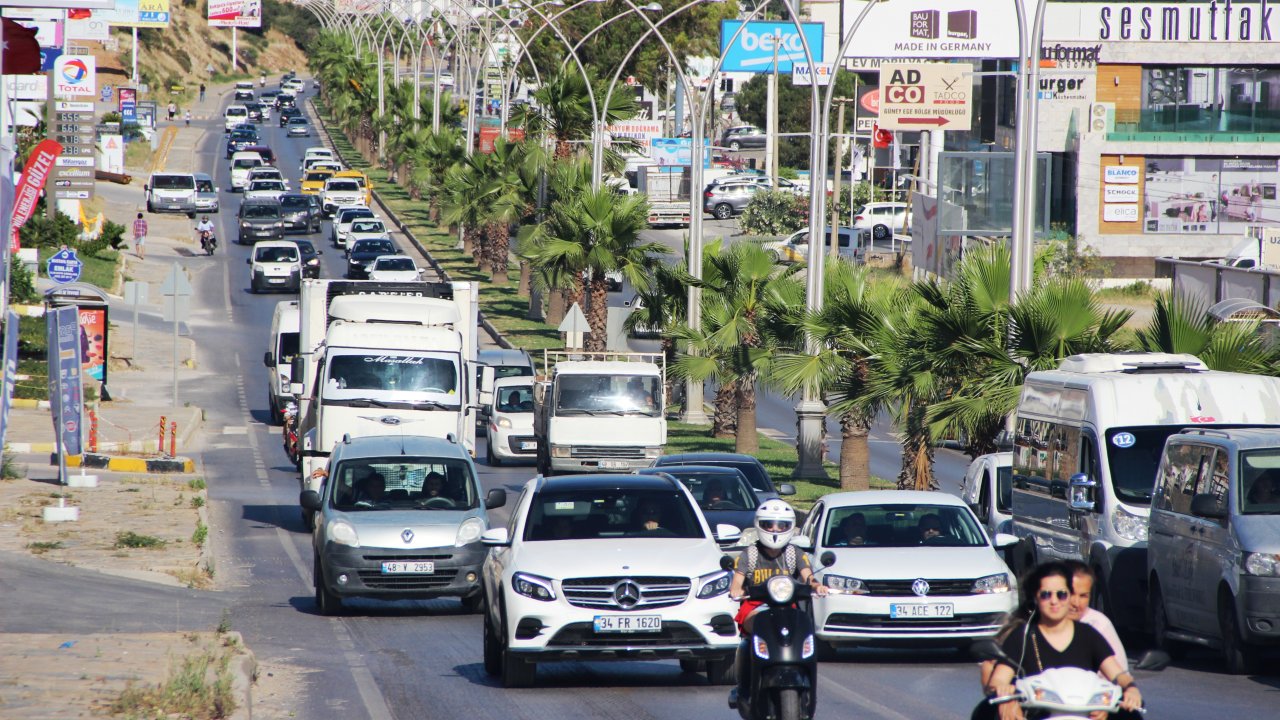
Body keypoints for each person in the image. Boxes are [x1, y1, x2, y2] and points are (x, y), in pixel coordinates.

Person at [985, 562, 1142, 720]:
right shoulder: (1022, 636)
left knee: (1132, 715)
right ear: (1036, 598)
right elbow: (999, 678)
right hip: (1037, 713)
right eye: (1046, 595)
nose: (1054, 601)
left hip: (1087, 712)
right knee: (985, 712)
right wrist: (1006, 693)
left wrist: (1130, 688)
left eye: (1061, 594)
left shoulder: (1089, 634)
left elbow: (1117, 674)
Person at [729, 500, 827, 701]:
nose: (775, 529)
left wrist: (817, 586)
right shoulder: (750, 553)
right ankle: (744, 686)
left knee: (803, 629)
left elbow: (808, 576)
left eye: (781, 525)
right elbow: (736, 583)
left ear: (789, 527)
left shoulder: (794, 553)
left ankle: (805, 681)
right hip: (755, 607)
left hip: (786, 607)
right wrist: (736, 590)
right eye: (769, 524)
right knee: (753, 632)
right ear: (760, 525)